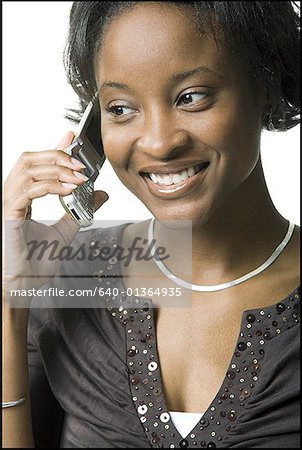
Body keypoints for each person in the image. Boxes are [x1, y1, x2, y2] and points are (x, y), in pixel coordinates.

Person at [3, 1, 300, 448]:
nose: (160, 142)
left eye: (191, 97)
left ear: (268, 83)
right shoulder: (68, 275)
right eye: (120, 108)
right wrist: (9, 303)